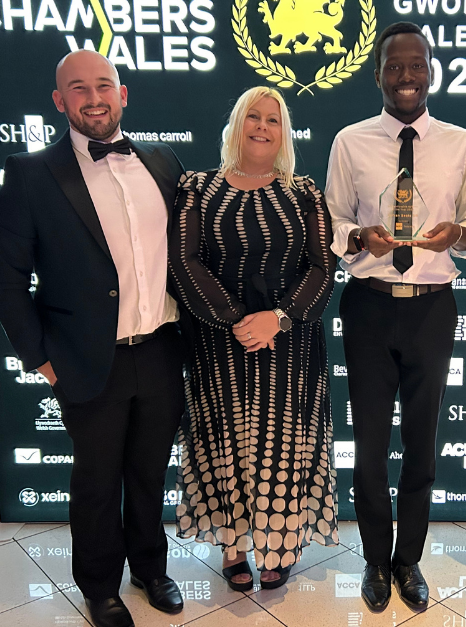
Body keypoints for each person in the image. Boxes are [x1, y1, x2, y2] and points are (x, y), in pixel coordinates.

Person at [0, 51, 186, 627]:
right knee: (97, 481)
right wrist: (42, 360)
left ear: (123, 94)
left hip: (162, 348)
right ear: (59, 100)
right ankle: (99, 587)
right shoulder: (30, 174)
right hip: (85, 360)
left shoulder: (163, 163)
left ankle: (150, 568)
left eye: (103, 85)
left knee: (149, 472)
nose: (93, 98)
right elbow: (4, 280)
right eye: (78, 88)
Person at [326, 22, 466, 613]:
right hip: (368, 307)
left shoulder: (460, 143)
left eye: (416, 64)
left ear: (430, 70)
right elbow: (333, 221)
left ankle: (408, 559)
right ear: (377, 75)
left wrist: (458, 235)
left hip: (431, 308)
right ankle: (375, 559)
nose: (406, 76)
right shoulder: (350, 141)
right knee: (369, 446)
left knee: (422, 443)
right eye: (394, 66)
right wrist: (357, 238)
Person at [170, 86, 339, 592]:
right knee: (225, 442)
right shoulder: (197, 187)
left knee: (281, 447)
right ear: (236, 124)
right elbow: (183, 261)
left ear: (284, 133)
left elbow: (323, 267)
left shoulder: (304, 192)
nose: (262, 126)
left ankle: (279, 546)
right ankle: (234, 547)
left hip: (289, 346)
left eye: (273, 119)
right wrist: (238, 320)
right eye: (253, 116)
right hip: (217, 345)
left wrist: (278, 319)